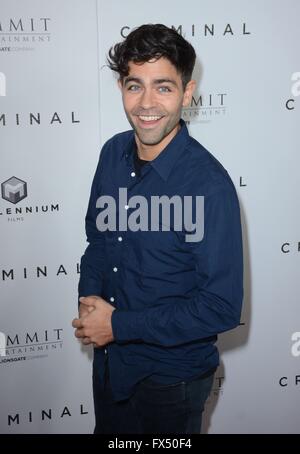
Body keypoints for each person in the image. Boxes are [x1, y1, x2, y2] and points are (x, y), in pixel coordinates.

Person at [72, 24, 243, 434]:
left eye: (163, 88)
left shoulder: (208, 185)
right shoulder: (112, 153)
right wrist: (89, 295)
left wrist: (117, 325)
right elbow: (99, 237)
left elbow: (220, 307)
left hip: (172, 381)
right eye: (135, 86)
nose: (147, 103)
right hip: (111, 366)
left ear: (187, 93)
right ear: (121, 88)